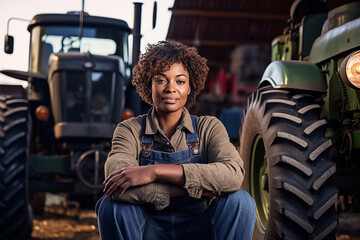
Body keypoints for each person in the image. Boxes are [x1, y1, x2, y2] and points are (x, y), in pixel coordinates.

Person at [95, 40, 256, 240]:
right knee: (111, 206)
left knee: (241, 201)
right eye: (161, 80)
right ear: (149, 85)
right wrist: (189, 189)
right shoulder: (130, 129)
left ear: (190, 88)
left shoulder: (208, 127)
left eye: (180, 81)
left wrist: (153, 171)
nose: (171, 88)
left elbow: (232, 175)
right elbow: (116, 185)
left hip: (200, 230)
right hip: (146, 230)